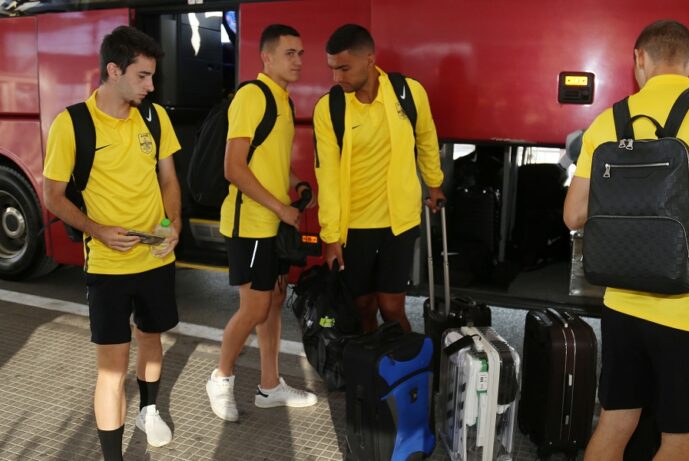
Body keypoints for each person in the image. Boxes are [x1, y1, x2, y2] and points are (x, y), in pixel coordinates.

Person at [563, 19, 689, 461]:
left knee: (616, 422)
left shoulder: (608, 121)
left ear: (639, 59)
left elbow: (573, 215)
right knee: (682, 440)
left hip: (622, 303)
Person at [43, 26, 182, 461]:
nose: (151, 86)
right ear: (113, 70)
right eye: (142, 76)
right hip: (107, 266)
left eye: (152, 76)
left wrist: (172, 224)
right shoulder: (72, 124)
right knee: (111, 369)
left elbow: (168, 179)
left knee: (152, 339)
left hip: (156, 259)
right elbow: (52, 196)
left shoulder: (154, 118)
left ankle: (149, 410)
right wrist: (97, 230)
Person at [205, 24, 317, 422]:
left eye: (301, 53)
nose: (298, 61)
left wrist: (295, 183)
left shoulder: (283, 100)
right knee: (254, 308)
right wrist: (281, 209)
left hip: (270, 225)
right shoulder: (253, 96)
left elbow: (267, 162)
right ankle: (221, 377)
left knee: (272, 302)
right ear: (267, 57)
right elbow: (234, 168)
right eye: (290, 53)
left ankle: (270, 386)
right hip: (250, 223)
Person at [313, 24, 446, 333]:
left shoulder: (408, 93)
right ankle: (372, 361)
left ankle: (406, 359)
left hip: (399, 223)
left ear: (370, 60)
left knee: (391, 307)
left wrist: (434, 184)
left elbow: (426, 139)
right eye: (332, 68)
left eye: (344, 68)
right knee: (362, 308)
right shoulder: (329, 108)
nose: (336, 78)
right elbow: (327, 178)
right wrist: (330, 237)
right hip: (354, 227)